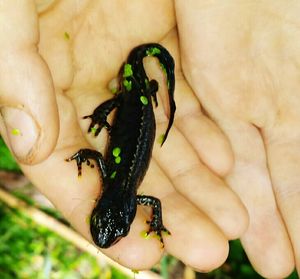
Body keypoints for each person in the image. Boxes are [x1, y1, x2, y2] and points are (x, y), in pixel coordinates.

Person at [0, 1, 298, 278]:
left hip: (135, 105)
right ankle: (149, 86)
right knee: (128, 98)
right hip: (136, 107)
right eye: (113, 231)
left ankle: (150, 85)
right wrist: (154, 222)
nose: (104, 238)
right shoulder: (114, 181)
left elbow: (146, 197)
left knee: (126, 98)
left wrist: (84, 152)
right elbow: (152, 200)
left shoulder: (117, 183)